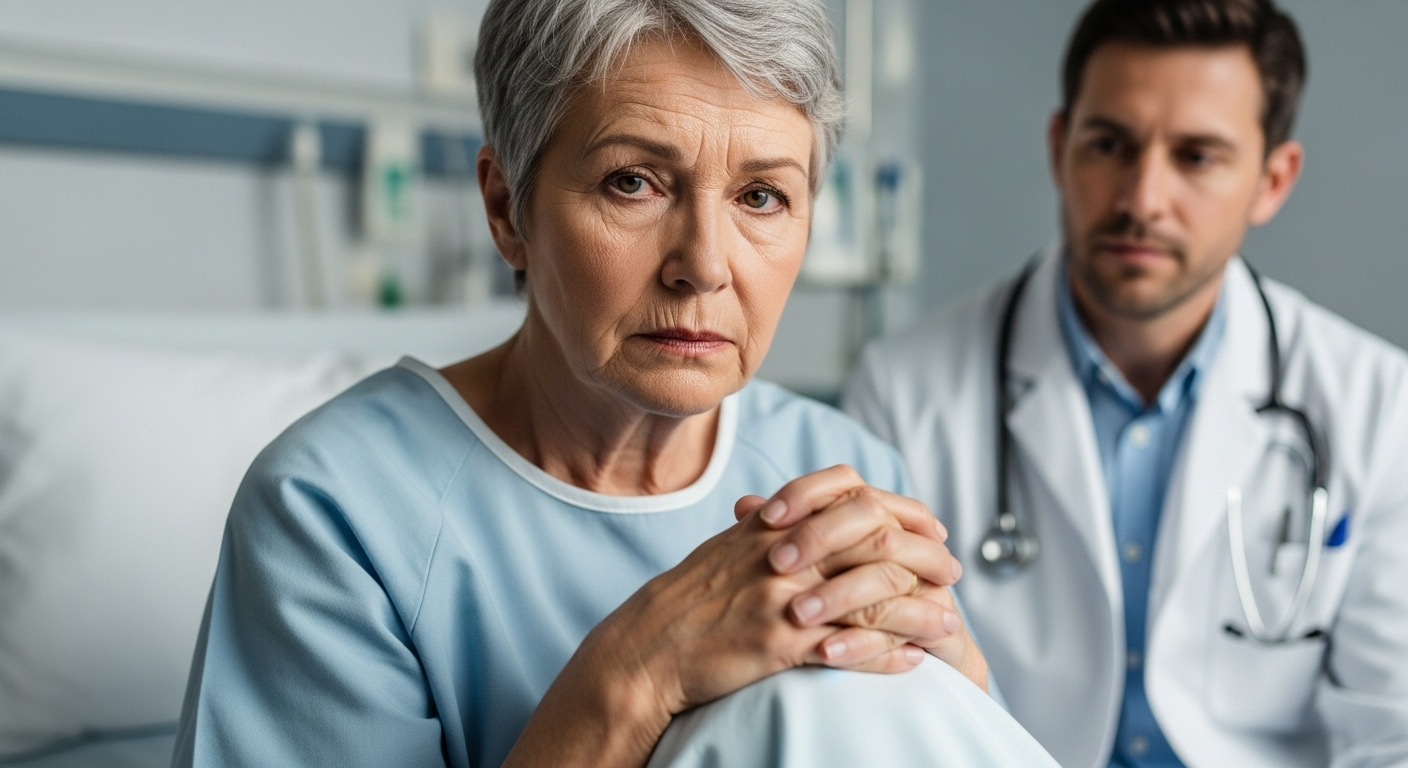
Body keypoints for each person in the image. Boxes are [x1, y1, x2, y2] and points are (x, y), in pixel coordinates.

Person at [171, 1, 1061, 766]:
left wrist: (958, 688)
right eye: (633, 183)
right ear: (504, 208)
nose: (705, 266)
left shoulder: (837, 465)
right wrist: (636, 674)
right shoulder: (337, 512)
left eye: (761, 197)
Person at [844, 0, 1408, 766]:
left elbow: (1393, 728)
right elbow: (881, 710)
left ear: (1273, 181)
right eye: (1110, 145)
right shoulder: (905, 392)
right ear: (1058, 147)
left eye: (1197, 157)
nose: (1142, 199)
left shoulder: (1378, 405)